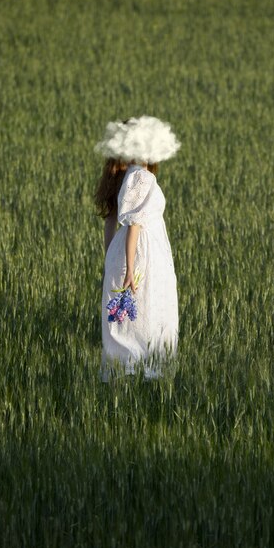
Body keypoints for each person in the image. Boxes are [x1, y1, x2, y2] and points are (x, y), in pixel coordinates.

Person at [93, 115, 181, 382]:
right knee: (148, 307)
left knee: (126, 315)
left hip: (125, 249)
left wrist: (112, 260)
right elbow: (134, 226)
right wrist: (130, 268)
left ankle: (125, 368)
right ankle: (145, 369)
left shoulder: (122, 176)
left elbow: (111, 221)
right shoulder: (142, 177)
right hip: (143, 252)